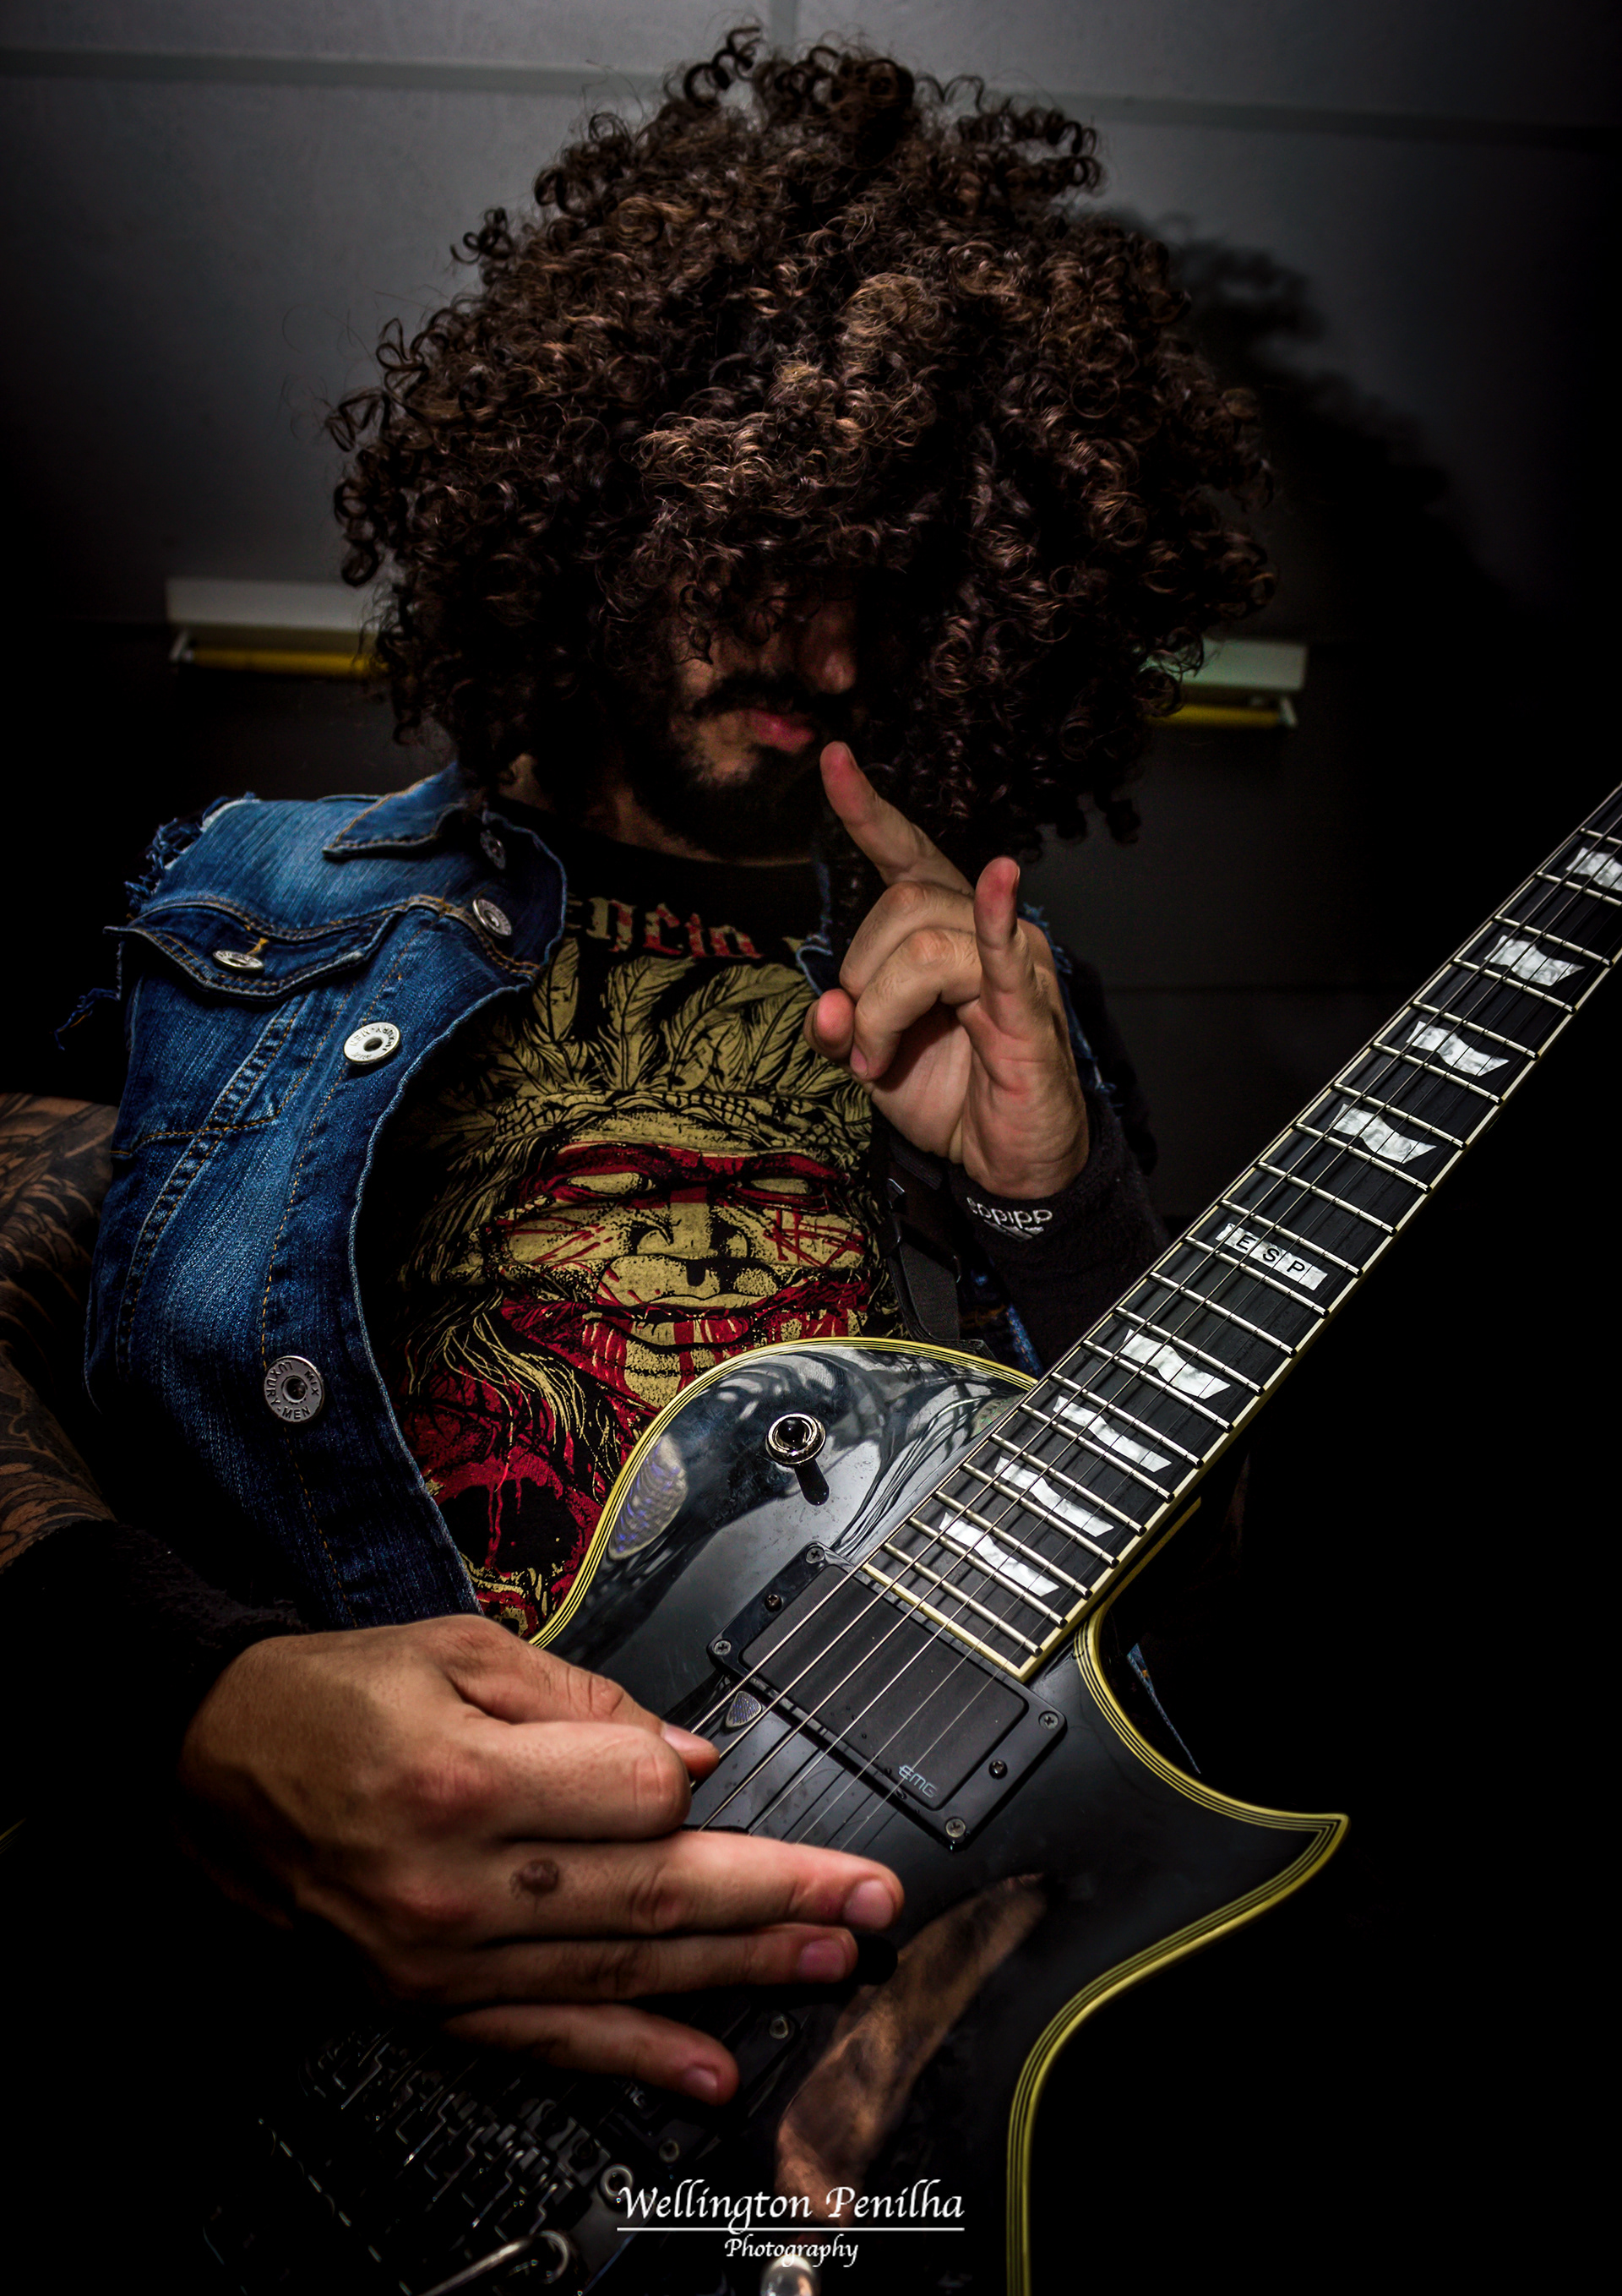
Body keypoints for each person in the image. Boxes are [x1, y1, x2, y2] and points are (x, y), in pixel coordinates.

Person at [0, 33, 1269, 2119]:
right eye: (772, 547)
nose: (829, 654)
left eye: (892, 587)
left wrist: (1055, 1207)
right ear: (611, 496)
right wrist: (181, 1694)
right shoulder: (252, 892)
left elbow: (1175, 1637)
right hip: (256, 2062)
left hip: (782, 2066)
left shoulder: (996, 995)